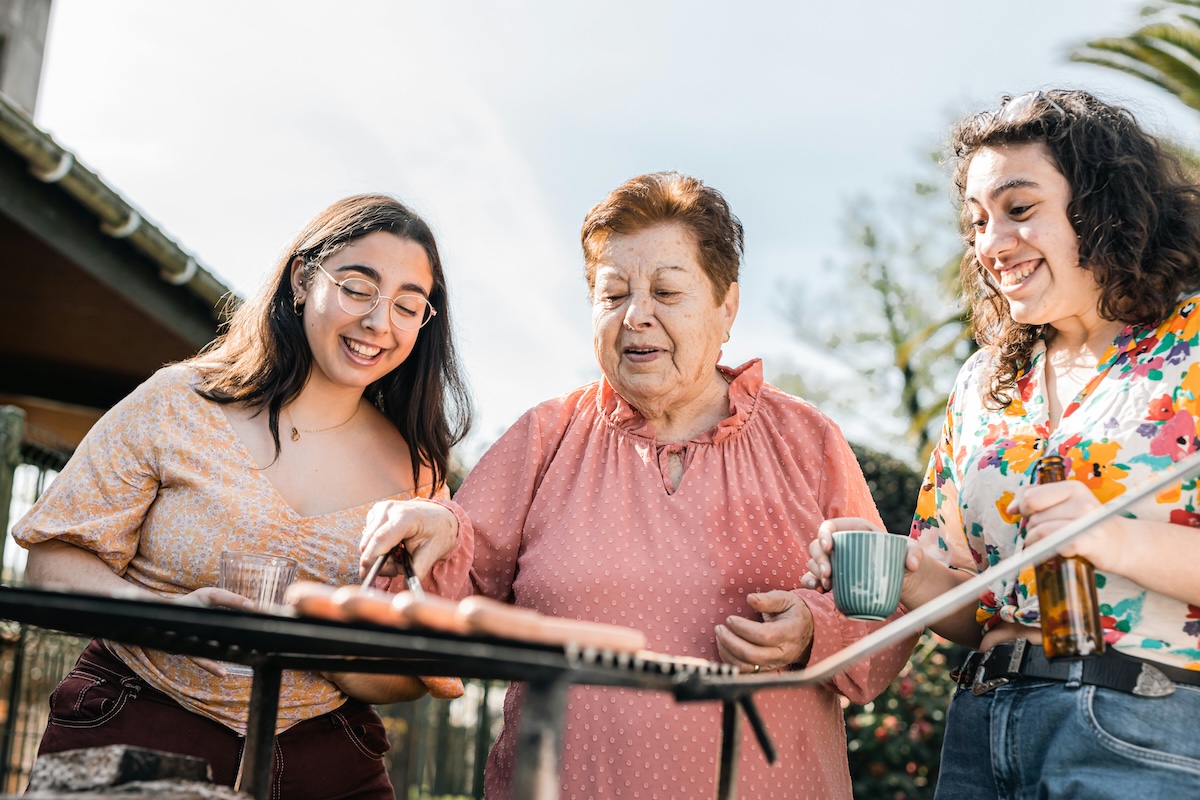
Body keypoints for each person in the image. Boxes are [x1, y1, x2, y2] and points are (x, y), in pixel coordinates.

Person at [361, 171, 916, 798]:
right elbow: (444, 588)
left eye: (667, 291)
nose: (637, 316)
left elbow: (887, 609)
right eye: (614, 293)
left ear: (726, 307)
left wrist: (816, 630)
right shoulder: (545, 437)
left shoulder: (807, 440)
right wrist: (434, 528)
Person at [12, 194, 474, 800]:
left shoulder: (418, 475)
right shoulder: (179, 402)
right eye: (358, 288)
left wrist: (321, 645)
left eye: (408, 306)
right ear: (304, 279)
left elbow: (415, 676)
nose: (378, 322)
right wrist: (164, 619)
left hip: (325, 761)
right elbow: (49, 561)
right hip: (137, 721)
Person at [806, 89, 1200, 798]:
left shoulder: (1193, 344)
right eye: (977, 223)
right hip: (981, 733)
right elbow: (970, 604)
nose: (992, 243)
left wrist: (1113, 540)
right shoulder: (985, 381)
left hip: (1141, 730)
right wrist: (908, 572)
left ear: (1106, 208)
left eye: (1020, 210)